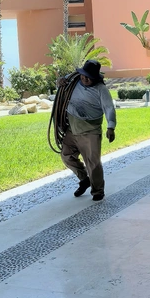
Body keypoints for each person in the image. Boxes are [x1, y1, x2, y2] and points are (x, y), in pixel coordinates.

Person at [61, 59, 116, 199]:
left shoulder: (101, 89)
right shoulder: (72, 81)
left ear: (95, 77)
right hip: (72, 127)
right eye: (83, 75)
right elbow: (61, 82)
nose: (85, 79)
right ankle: (84, 179)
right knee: (66, 156)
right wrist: (59, 82)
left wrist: (111, 127)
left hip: (90, 130)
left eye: (89, 77)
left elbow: (109, 108)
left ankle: (98, 191)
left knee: (93, 163)